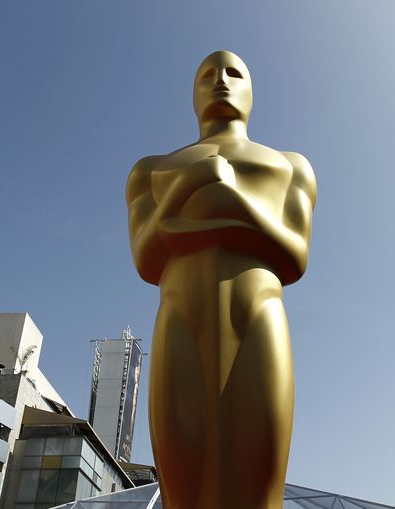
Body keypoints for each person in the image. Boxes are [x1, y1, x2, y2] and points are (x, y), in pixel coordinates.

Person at [126, 50, 316, 509]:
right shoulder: (153, 170)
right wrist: (190, 182)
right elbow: (146, 255)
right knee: (182, 490)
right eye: (207, 75)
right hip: (179, 317)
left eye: (234, 73)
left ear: (252, 90)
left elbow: (294, 255)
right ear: (193, 94)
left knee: (260, 491)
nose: (221, 81)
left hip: (260, 316)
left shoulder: (290, 166)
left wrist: (230, 201)